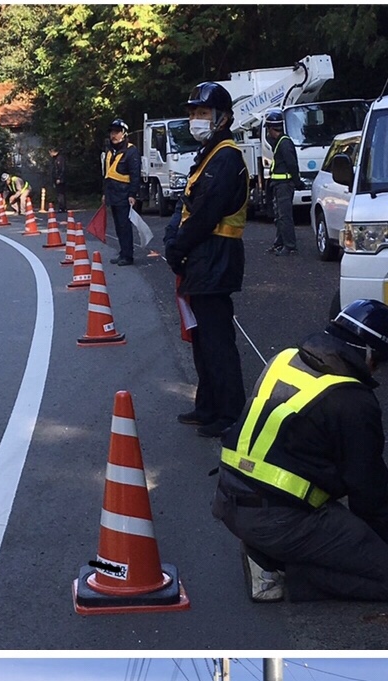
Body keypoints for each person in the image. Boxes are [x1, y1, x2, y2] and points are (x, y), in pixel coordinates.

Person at [212, 299, 388, 602]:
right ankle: (282, 571)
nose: (377, 369)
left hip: (229, 498)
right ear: (368, 353)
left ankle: (266, 552)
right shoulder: (353, 400)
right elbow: (368, 493)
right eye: (380, 360)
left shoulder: (285, 358)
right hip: (280, 519)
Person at [164, 82, 249, 441]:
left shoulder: (226, 156)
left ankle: (230, 414)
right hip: (203, 259)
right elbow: (186, 206)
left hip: (216, 257)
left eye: (203, 114)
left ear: (222, 118)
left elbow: (205, 213)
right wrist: (174, 241)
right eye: (193, 114)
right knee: (202, 340)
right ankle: (208, 406)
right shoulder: (208, 154)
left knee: (217, 341)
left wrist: (177, 247)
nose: (196, 120)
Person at [102, 119, 141, 266]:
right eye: (112, 132)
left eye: (117, 132)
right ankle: (122, 252)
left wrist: (132, 194)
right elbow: (106, 175)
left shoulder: (131, 151)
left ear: (124, 134)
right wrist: (105, 194)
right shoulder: (110, 151)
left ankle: (128, 255)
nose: (114, 135)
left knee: (125, 226)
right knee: (118, 226)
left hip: (124, 194)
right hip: (113, 194)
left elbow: (135, 175)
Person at [264, 110, 299, 256]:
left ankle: (290, 246)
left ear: (271, 129)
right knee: (279, 216)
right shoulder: (280, 142)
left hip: (284, 185)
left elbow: (292, 164)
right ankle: (279, 243)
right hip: (279, 185)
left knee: (285, 216)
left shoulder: (284, 143)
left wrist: (296, 181)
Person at [48, 146, 67, 215]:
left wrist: (59, 178)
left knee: (61, 193)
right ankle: (61, 207)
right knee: (59, 193)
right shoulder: (55, 159)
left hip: (60, 179)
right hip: (57, 179)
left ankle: (62, 207)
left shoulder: (60, 159)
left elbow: (62, 169)